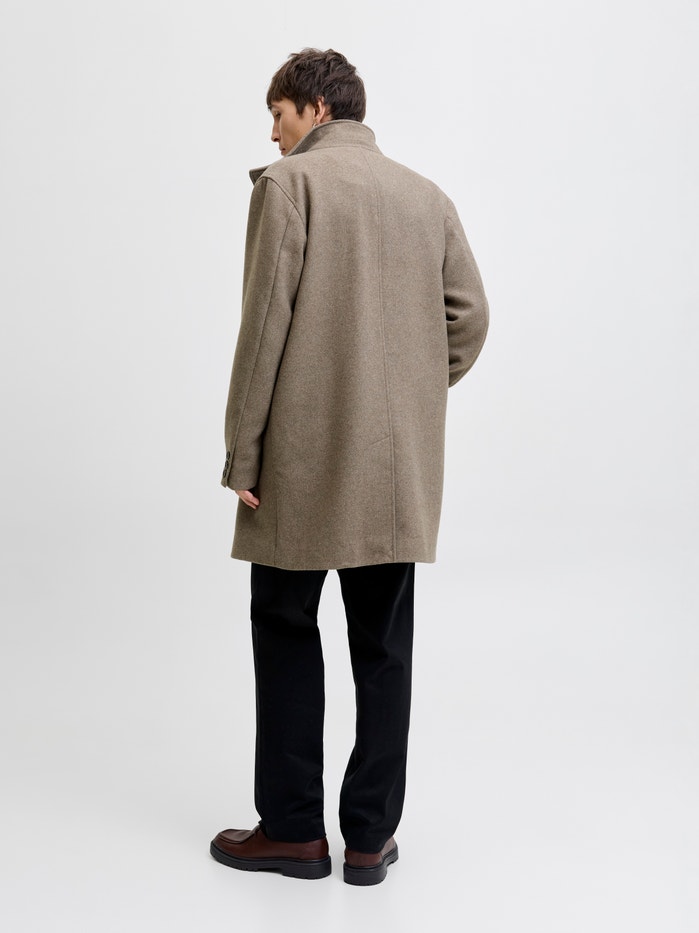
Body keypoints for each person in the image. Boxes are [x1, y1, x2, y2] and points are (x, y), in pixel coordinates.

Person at [210, 48, 489, 886]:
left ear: (318, 109)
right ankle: (369, 839)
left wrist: (243, 451)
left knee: (284, 628)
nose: (274, 132)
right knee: (385, 646)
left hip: (297, 460)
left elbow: (265, 324)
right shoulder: (426, 196)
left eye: (280, 114)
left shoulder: (289, 185)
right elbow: (470, 318)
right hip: (393, 471)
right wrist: (407, 395)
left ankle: (294, 830)